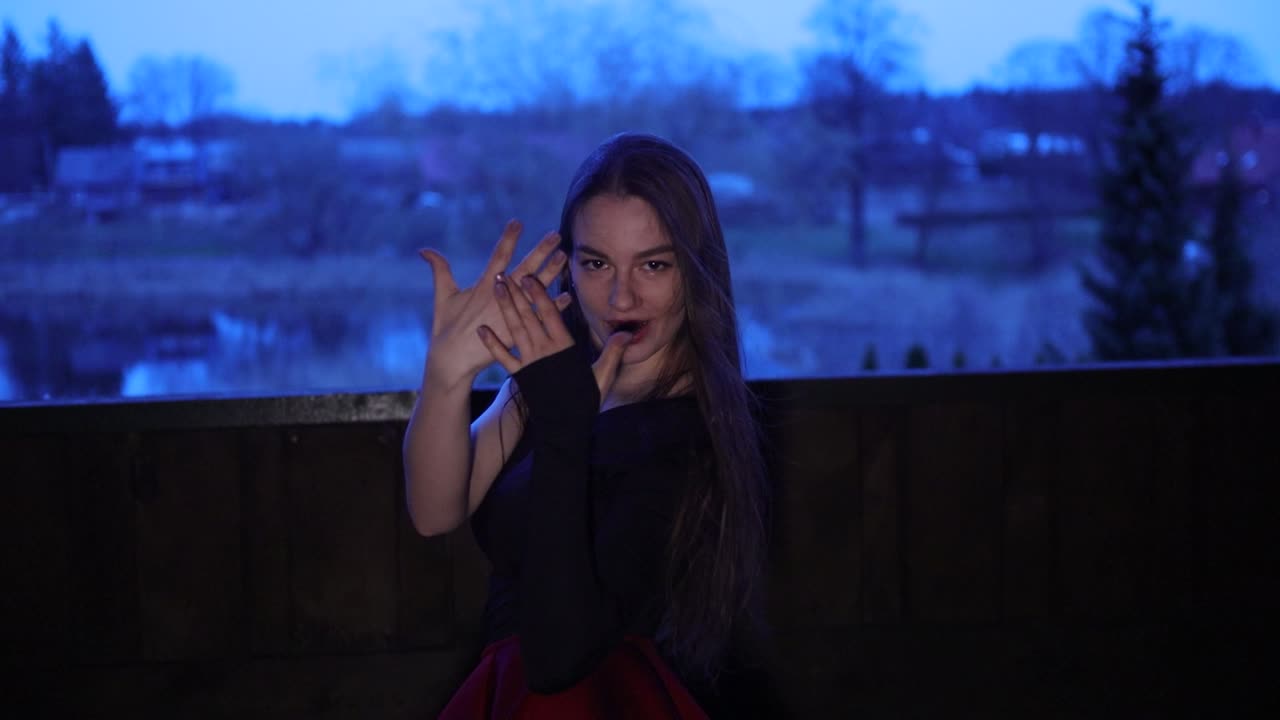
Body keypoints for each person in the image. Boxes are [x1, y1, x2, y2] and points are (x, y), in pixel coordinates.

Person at [404, 132, 770, 719]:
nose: (622, 295)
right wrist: (446, 376)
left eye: (654, 264)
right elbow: (433, 512)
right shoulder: (549, 382)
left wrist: (564, 430)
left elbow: (559, 658)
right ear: (568, 268)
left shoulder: (698, 432)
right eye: (597, 263)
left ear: (695, 271)